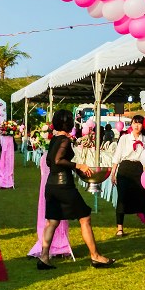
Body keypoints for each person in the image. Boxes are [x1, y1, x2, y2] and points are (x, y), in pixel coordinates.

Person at [37, 109, 116, 270]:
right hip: (64, 186)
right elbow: (58, 160)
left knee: (52, 221)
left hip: (51, 185)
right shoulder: (64, 140)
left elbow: (50, 162)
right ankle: (95, 256)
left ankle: (44, 257)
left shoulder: (55, 139)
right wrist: (78, 165)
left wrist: (75, 169)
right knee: (85, 217)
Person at [110, 114, 145, 237]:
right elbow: (117, 155)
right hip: (125, 169)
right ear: (131, 124)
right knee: (122, 198)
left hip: (139, 169)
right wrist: (113, 173)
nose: (136, 126)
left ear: (143, 126)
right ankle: (120, 228)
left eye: (139, 123)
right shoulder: (124, 138)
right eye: (134, 123)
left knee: (143, 197)